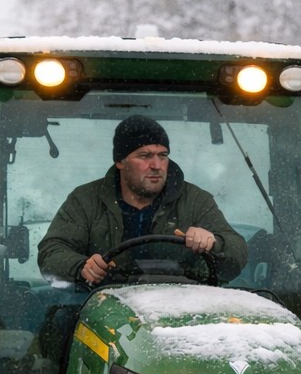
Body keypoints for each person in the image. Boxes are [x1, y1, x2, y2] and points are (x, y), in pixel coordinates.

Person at [37, 115, 247, 286]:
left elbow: (237, 253)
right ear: (120, 161)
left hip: (180, 311)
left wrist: (214, 242)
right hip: (98, 306)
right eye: (145, 155)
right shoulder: (86, 200)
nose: (157, 165)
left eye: (162, 155)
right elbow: (51, 252)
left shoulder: (195, 201)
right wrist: (82, 266)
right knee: (59, 323)